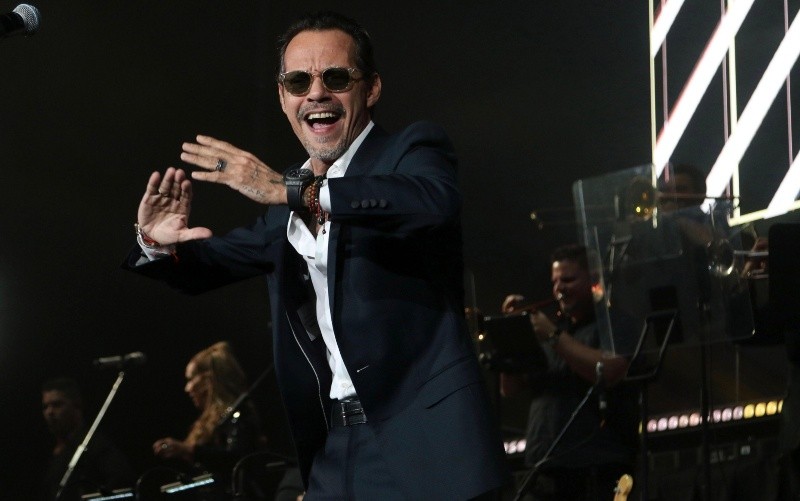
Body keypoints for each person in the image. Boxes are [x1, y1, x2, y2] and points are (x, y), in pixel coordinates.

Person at [123, 10, 508, 500]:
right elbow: (209, 264)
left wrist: (295, 192)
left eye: (337, 78)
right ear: (283, 98)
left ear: (371, 88)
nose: (317, 94)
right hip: (337, 448)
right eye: (298, 81)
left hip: (428, 446)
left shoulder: (410, 150)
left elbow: (431, 202)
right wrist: (157, 242)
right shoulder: (283, 203)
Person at [500, 244, 638, 500]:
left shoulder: (614, 322)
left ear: (593, 279)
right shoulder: (553, 331)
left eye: (568, 280)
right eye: (555, 282)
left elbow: (611, 371)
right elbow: (509, 388)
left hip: (595, 471)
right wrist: (513, 333)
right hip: (543, 472)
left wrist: (554, 336)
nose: (559, 288)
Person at [151, 341, 268, 499]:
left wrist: (189, 450)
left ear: (209, 380)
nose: (187, 388)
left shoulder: (239, 415)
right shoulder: (208, 421)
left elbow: (237, 460)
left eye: (191, 379)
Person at [40, 377, 135, 501]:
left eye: (57, 405)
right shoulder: (48, 452)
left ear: (77, 405)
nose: (49, 412)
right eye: (45, 407)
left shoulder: (96, 445)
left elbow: (123, 484)